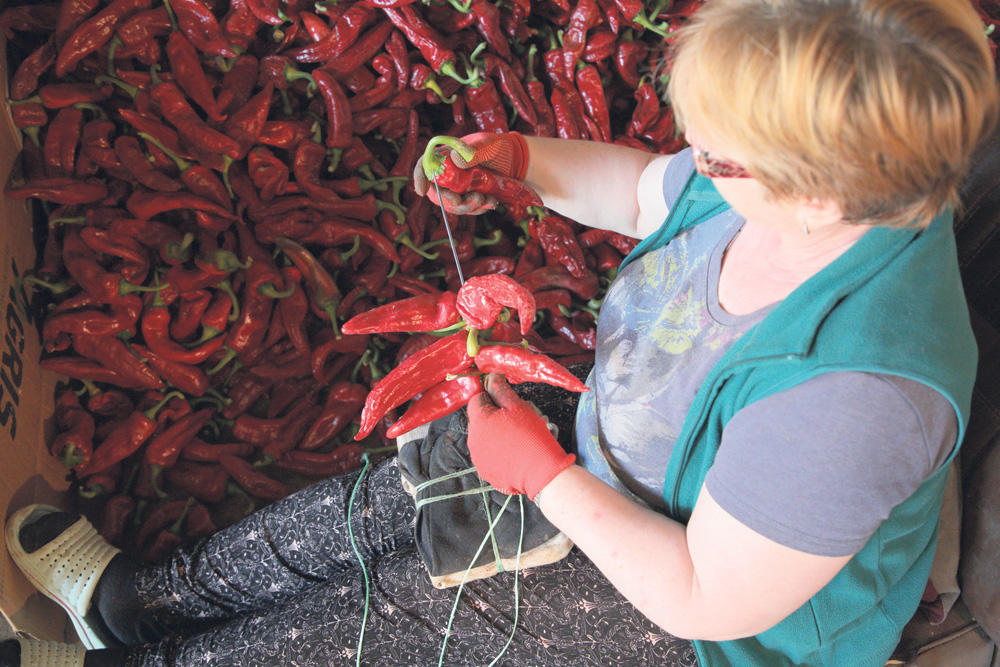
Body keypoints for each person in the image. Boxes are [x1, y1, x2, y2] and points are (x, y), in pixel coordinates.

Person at [4, 0, 997, 665]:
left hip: (689, 616)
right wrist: (524, 160)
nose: (697, 159)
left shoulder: (856, 392)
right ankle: (138, 604)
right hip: (599, 463)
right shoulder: (759, 195)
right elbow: (645, 191)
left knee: (377, 627)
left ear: (816, 193)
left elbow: (707, 597)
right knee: (381, 504)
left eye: (723, 155)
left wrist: (546, 480)